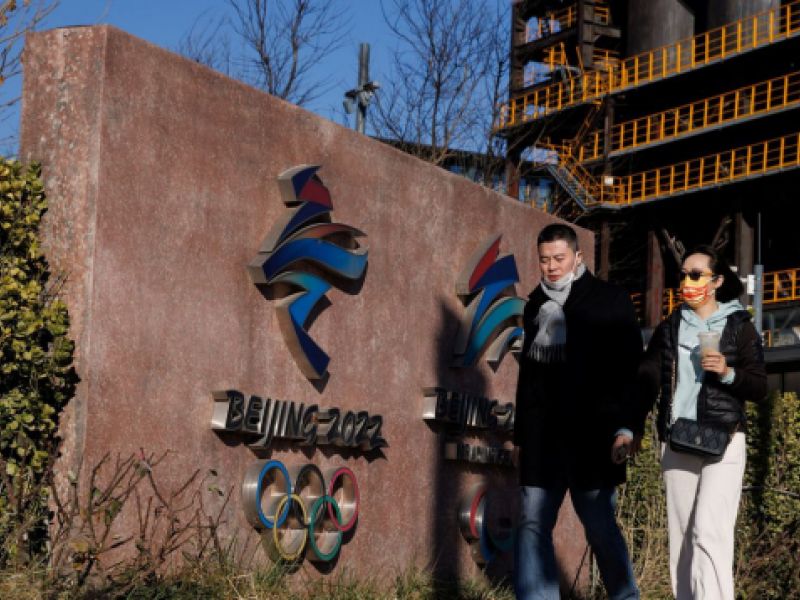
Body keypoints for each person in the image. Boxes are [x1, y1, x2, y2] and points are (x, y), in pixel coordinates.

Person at [513, 223, 642, 600]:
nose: (551, 267)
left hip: (593, 438)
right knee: (532, 525)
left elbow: (630, 370)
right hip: (543, 439)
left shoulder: (610, 300)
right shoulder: (535, 304)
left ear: (578, 256)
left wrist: (627, 427)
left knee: (600, 528)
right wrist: (521, 437)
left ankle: (625, 596)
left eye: (559, 258)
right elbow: (529, 378)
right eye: (544, 260)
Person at [637, 245, 767, 599]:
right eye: (683, 275)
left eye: (696, 275)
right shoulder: (671, 326)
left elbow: (759, 386)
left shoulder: (740, 326)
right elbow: (647, 378)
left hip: (725, 439)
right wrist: (629, 427)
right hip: (678, 439)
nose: (687, 282)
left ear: (717, 281)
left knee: (709, 531)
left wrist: (727, 372)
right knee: (682, 538)